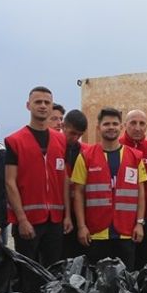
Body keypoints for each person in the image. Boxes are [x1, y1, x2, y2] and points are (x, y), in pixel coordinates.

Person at [4, 86, 70, 269]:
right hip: (28, 222)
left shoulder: (60, 140)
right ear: (28, 105)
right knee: (28, 275)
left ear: (51, 106)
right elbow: (10, 182)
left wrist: (67, 216)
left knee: (54, 272)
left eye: (47, 102)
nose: (43, 106)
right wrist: (22, 219)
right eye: (38, 102)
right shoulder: (14, 141)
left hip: (55, 220)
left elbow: (64, 179)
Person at [71, 108, 146, 267]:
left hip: (126, 232)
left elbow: (141, 193)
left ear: (121, 127)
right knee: (97, 284)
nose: (111, 127)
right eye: (106, 124)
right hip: (96, 233)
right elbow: (78, 193)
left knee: (126, 283)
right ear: (99, 127)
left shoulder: (135, 157)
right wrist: (81, 226)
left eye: (114, 124)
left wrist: (140, 223)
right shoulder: (86, 156)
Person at [121, 110, 147, 267]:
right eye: (133, 123)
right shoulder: (117, 147)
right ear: (125, 125)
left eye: (141, 124)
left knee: (146, 265)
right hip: (122, 220)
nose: (137, 127)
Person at [60, 110, 88, 260]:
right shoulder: (54, 149)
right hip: (59, 213)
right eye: (72, 133)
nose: (75, 138)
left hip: (81, 213)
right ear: (63, 126)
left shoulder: (86, 152)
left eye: (79, 134)